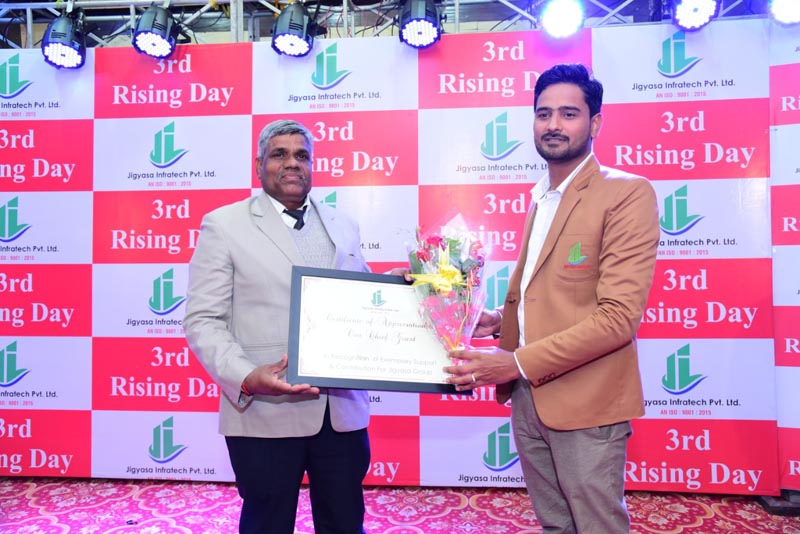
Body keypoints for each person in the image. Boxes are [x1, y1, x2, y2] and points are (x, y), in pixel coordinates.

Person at [444, 63, 660, 533]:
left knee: (596, 526)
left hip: (587, 401)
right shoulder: (542, 196)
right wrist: (498, 321)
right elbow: (554, 296)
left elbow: (618, 318)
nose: (553, 125)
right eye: (543, 114)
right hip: (530, 399)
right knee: (556, 526)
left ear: (595, 123)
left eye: (568, 114)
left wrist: (515, 363)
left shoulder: (626, 194)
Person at [184, 119, 371, 534]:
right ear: (259, 165)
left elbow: (361, 300)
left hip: (340, 413)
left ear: (313, 165)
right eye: (279, 154)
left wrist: (405, 289)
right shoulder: (224, 225)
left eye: (302, 155)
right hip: (264, 412)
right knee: (266, 525)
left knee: (345, 524)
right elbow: (203, 319)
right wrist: (246, 376)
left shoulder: (344, 225)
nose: (292, 163)